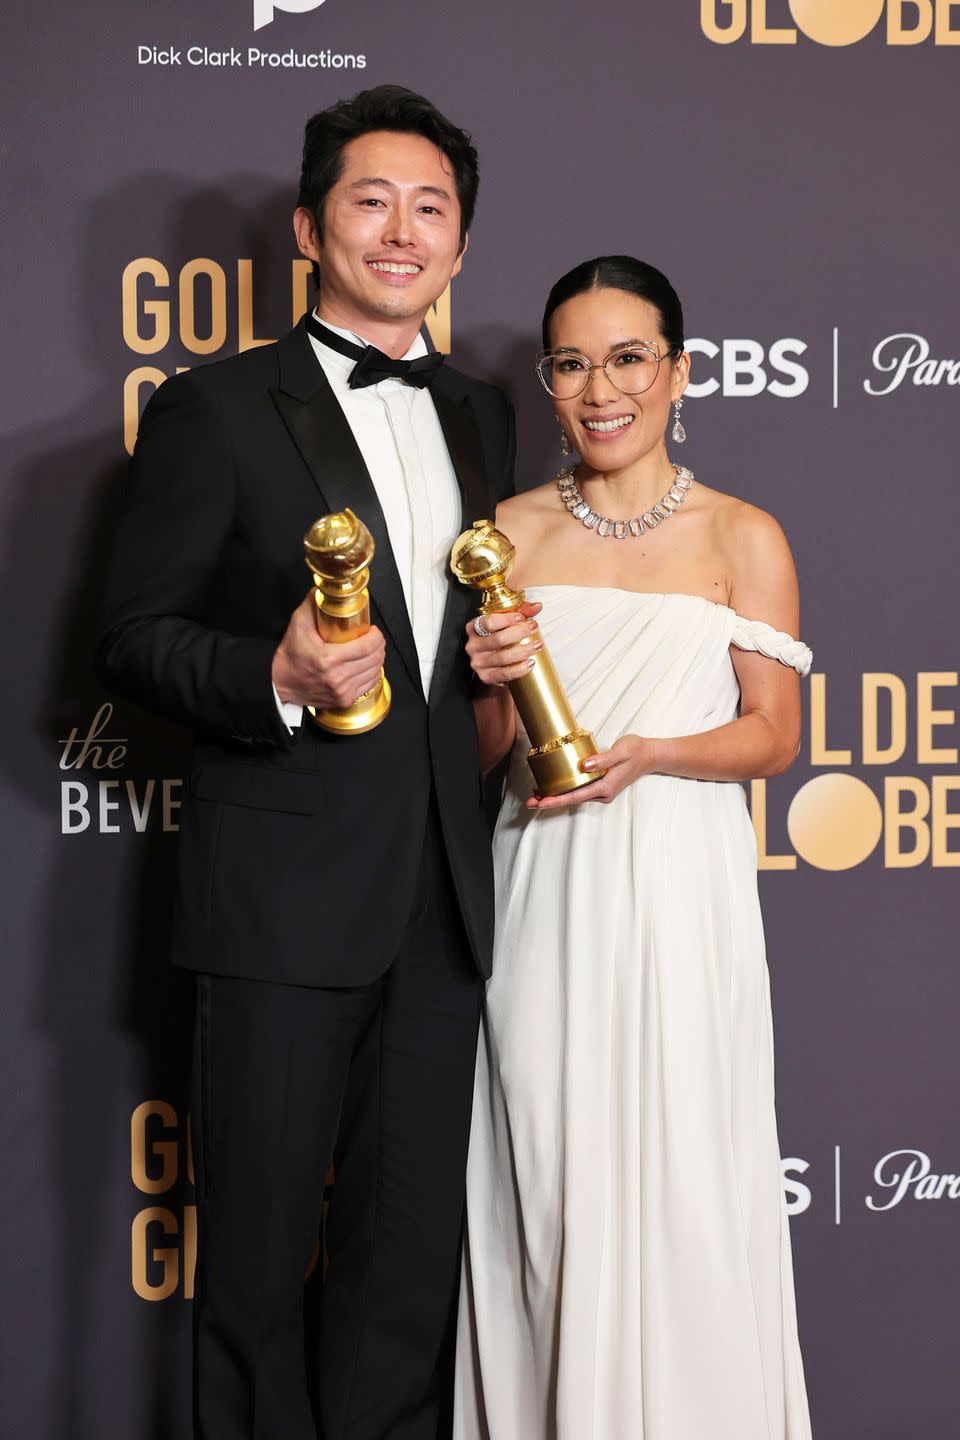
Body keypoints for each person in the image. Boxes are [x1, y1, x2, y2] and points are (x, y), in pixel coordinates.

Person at [96, 86, 516, 1440]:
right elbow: (132, 639)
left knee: (405, 1278)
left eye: (432, 208)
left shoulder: (484, 417)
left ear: (460, 246)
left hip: (443, 908)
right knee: (260, 1279)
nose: (403, 231)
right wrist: (269, 678)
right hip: (280, 903)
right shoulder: (214, 410)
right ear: (308, 227)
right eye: (371, 200)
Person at [453, 256, 813, 1439]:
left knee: (685, 1188)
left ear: (677, 372)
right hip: (541, 894)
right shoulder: (504, 535)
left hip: (678, 898)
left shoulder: (741, 535)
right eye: (570, 362)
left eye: (627, 358)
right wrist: (494, 684)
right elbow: (491, 751)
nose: (599, 388)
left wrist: (652, 753)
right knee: (549, 1188)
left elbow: (773, 736)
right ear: (548, 382)